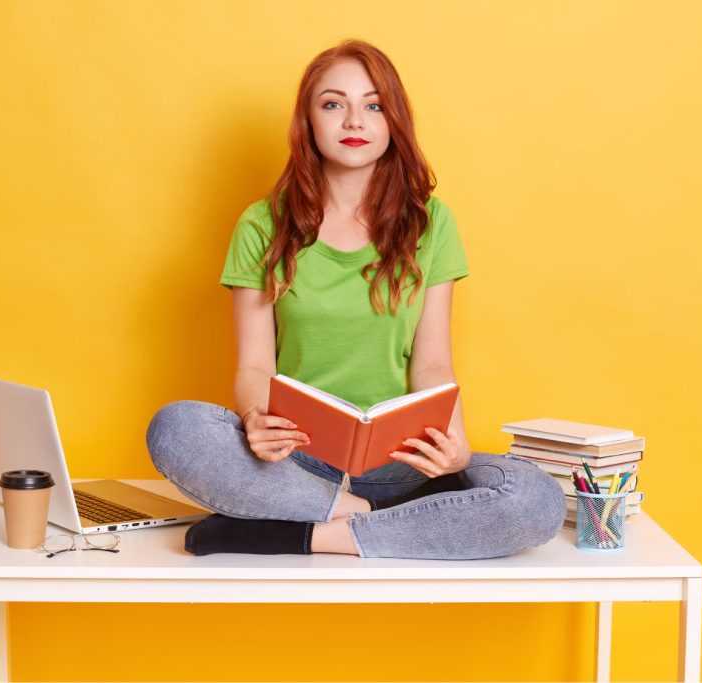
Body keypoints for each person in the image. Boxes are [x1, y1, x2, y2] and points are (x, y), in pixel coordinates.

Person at [146, 39, 565, 559]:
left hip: (404, 464)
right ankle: (378, 523)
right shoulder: (262, 224)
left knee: (535, 499)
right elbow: (255, 364)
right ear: (309, 121)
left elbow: (433, 363)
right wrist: (257, 418)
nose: (354, 121)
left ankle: (292, 535)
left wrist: (453, 448)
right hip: (296, 463)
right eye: (333, 104)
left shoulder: (430, 223)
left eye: (373, 105)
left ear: (393, 122)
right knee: (176, 428)